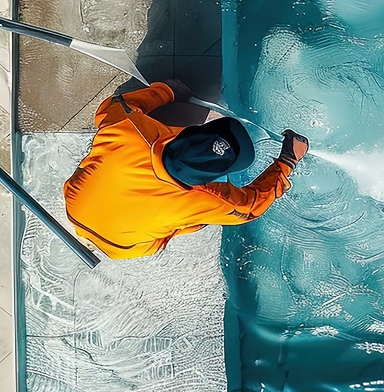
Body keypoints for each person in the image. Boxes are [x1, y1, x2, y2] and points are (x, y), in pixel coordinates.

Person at [63, 79, 308, 259]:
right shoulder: (205, 199)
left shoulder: (127, 130)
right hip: (119, 246)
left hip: (77, 207)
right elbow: (250, 207)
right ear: (209, 180)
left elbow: (114, 105)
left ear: (191, 131)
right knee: (195, 223)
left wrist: (167, 91)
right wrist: (287, 161)